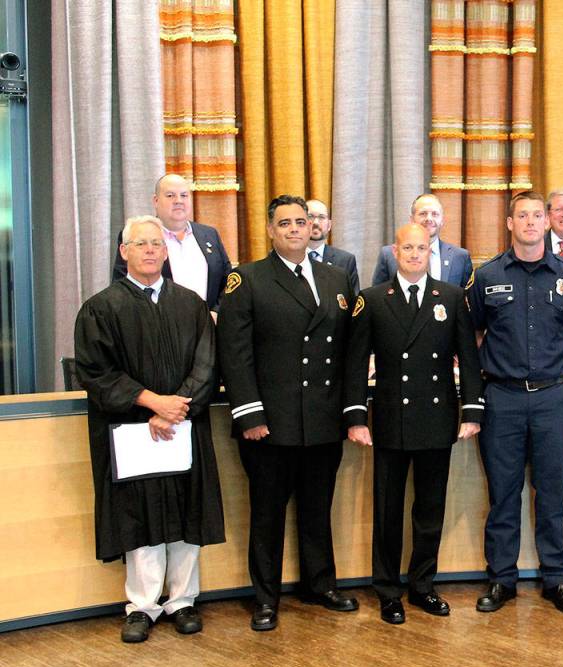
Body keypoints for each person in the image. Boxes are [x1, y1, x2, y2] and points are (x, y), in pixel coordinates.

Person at [74, 215, 224, 643]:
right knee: (138, 518)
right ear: (124, 252)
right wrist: (152, 402)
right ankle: (142, 606)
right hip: (131, 431)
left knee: (185, 511)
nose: (151, 250)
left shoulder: (189, 303)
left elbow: (207, 362)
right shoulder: (102, 308)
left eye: (157, 243)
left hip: (182, 425)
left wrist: (177, 406)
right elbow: (96, 372)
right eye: (141, 244)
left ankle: (183, 601)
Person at [217, 195, 358, 632]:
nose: (296, 229)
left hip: (321, 418)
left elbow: (350, 350)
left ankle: (320, 584)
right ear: (270, 230)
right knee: (267, 514)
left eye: (302, 221)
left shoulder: (335, 277)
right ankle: (266, 598)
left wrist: (349, 412)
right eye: (286, 223)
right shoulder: (248, 278)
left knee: (318, 509)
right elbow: (234, 355)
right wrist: (249, 415)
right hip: (269, 423)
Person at [344, 223, 484, 625]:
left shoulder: (452, 297)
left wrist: (471, 411)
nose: (415, 254)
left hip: (436, 418)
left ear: (430, 252)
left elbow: (468, 360)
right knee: (387, 512)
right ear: (394, 251)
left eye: (422, 248)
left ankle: (423, 585)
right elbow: (356, 363)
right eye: (408, 247)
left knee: (430, 510)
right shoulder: (371, 299)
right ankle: (388, 591)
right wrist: (356, 417)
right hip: (389, 418)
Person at [467, 190, 563, 614]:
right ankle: (502, 579)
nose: (532, 222)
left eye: (538, 215)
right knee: (503, 493)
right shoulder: (486, 276)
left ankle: (556, 579)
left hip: (553, 398)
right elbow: (477, 335)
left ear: (548, 221)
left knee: (552, 493)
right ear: (510, 223)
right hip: (501, 398)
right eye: (523, 215)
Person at [113, 174, 232, 313]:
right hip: (159, 327)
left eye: (184, 195)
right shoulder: (136, 236)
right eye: (170, 196)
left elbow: (228, 281)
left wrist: (217, 312)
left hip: (208, 327)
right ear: (156, 201)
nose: (178, 201)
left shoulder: (210, 235)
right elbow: (123, 286)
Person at [371, 193, 474, 287]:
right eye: (423, 213)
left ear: (442, 220)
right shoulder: (388, 255)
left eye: (435, 214)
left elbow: (466, 301)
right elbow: (377, 298)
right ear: (412, 219)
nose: (429, 219)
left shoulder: (460, 257)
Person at [306, 198, 361, 294]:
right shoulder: (291, 258)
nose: (316, 222)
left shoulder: (345, 260)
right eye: (310, 216)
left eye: (322, 217)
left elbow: (353, 301)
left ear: (329, 225)